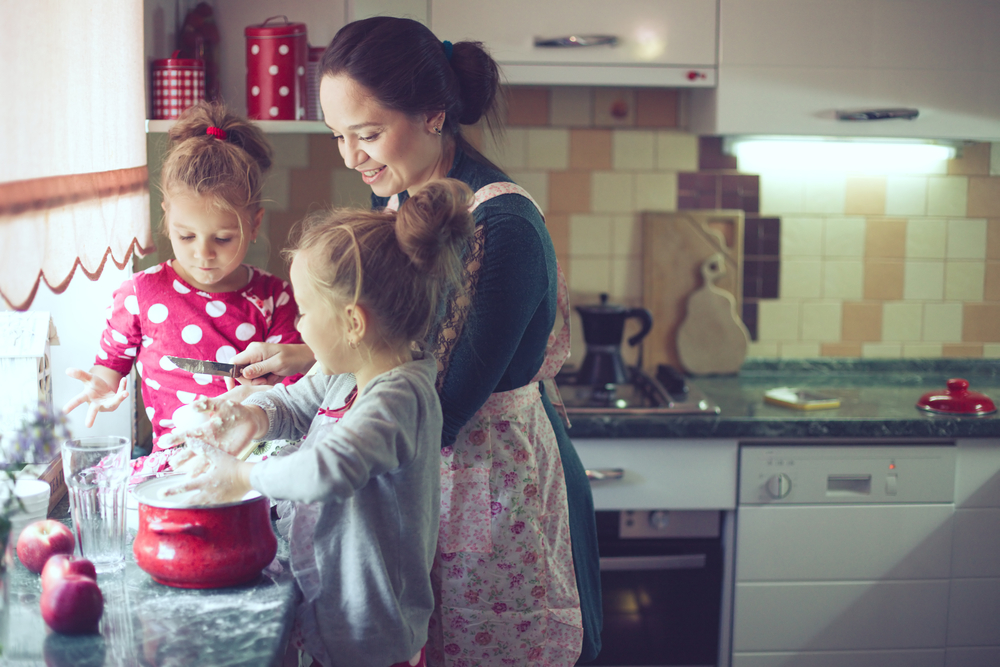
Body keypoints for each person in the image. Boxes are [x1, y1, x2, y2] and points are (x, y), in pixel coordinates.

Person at [228, 16, 603, 666]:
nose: (350, 156)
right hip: (431, 479)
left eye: (367, 133)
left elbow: (443, 401)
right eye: (338, 135)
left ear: (434, 114)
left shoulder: (501, 227)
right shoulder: (403, 195)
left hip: (490, 485)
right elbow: (397, 339)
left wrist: (275, 453)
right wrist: (315, 361)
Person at [161, 179, 476, 667]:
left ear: (353, 323)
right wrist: (248, 415)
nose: (299, 327)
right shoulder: (348, 371)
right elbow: (291, 404)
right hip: (332, 617)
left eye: (306, 311)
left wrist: (239, 475)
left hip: (373, 637)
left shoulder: (399, 398)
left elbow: (328, 469)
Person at [63, 101, 303, 471]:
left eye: (223, 238)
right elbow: (110, 368)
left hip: (252, 466)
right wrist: (100, 386)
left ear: (254, 225)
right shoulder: (139, 295)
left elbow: (296, 395)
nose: (202, 253)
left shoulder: (275, 297)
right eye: (186, 235)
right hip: (172, 463)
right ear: (167, 217)